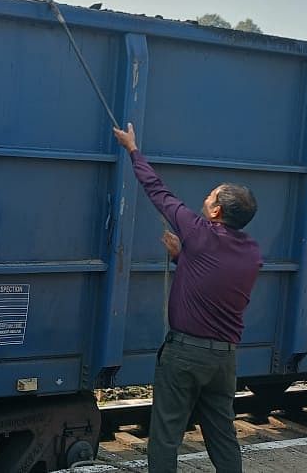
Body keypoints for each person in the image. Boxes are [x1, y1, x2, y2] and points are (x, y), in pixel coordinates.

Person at [112, 123, 262, 473]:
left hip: (184, 354)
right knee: (222, 433)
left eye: (210, 197)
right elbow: (218, 283)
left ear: (216, 212)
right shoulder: (252, 253)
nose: (205, 200)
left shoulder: (198, 232)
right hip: (223, 359)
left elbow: (158, 191)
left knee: (166, 435)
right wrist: (184, 258)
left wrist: (133, 149)